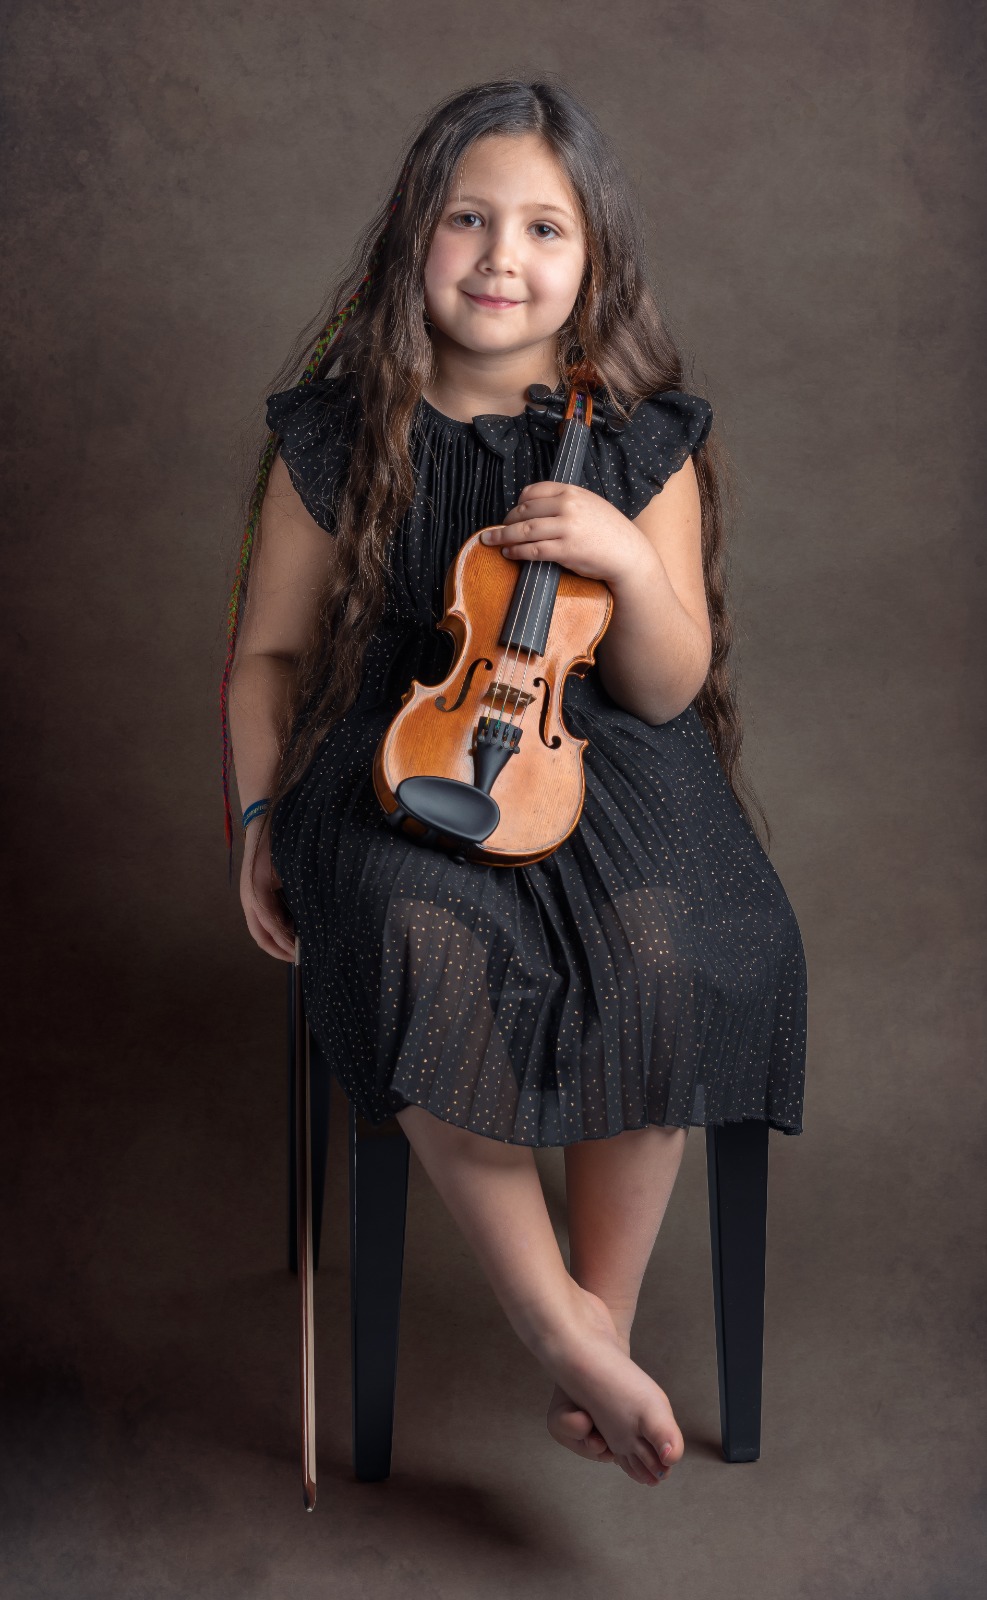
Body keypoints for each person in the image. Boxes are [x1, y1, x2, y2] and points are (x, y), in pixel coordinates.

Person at [220, 79, 808, 1490]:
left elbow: (667, 681)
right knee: (415, 930)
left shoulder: (643, 440)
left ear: (591, 260)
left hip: (605, 750)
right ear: (414, 237)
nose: (502, 254)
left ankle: (599, 1317)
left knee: (694, 937)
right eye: (470, 218)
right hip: (403, 752)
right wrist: (252, 820)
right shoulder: (337, 432)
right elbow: (267, 660)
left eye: (545, 227)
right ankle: (558, 1329)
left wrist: (616, 550)